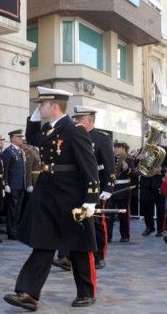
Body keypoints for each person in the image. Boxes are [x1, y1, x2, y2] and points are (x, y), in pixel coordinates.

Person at [4, 87, 100, 311]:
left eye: (42, 105)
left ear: (54, 106)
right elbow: (33, 137)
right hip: (48, 194)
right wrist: (33, 117)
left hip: (71, 195)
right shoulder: (50, 129)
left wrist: (91, 199)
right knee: (43, 242)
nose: (39, 107)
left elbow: (89, 166)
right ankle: (28, 293)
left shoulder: (74, 129)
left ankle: (86, 292)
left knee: (78, 246)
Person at [72, 106, 116, 269]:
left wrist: (108, 188)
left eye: (79, 119)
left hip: (96, 186)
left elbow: (109, 166)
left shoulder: (101, 139)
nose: (76, 121)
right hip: (77, 186)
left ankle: (99, 256)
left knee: (96, 223)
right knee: (75, 218)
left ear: (89, 120)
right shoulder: (74, 136)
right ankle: (69, 255)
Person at [138, 129, 167, 237]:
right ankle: (149, 227)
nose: (150, 138)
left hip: (158, 181)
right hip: (146, 182)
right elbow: (138, 166)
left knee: (160, 206)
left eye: (153, 135)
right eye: (149, 136)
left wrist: (162, 169)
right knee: (146, 205)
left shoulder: (165, 149)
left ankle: (160, 229)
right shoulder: (143, 149)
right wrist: (138, 158)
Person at [107, 141, 134, 243]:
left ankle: (125, 236)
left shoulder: (128, 159)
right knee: (109, 214)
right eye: (115, 147)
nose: (116, 149)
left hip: (123, 189)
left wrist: (127, 169)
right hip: (111, 188)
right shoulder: (110, 158)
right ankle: (108, 236)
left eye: (118, 147)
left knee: (124, 215)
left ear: (123, 148)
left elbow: (133, 174)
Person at [2, 129, 26, 240]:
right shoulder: (8, 151)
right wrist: (6, 183)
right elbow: (5, 169)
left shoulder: (19, 151)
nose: (21, 139)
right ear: (12, 138)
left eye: (21, 137)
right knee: (12, 209)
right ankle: (11, 231)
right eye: (19, 137)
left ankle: (16, 229)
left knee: (18, 209)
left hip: (21, 184)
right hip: (12, 185)